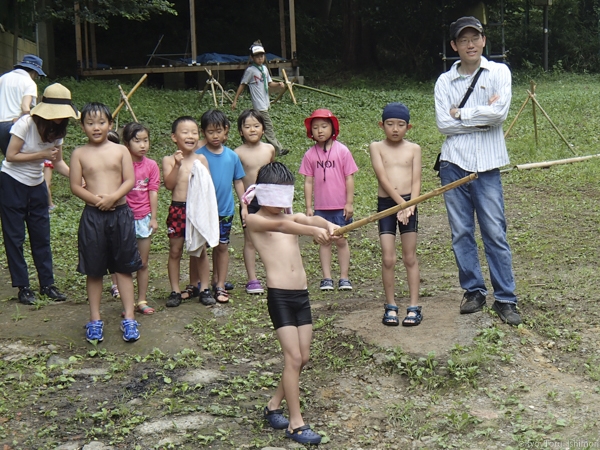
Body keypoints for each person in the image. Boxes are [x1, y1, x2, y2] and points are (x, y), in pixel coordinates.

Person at [434, 16, 521, 326]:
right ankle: (473, 291)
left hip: (487, 167)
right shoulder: (445, 81)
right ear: (454, 45)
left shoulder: (499, 72)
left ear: (484, 40)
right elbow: (444, 124)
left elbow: (499, 115)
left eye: (476, 38)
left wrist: (462, 113)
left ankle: (506, 298)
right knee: (461, 233)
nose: (470, 44)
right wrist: (480, 114)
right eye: (463, 40)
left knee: (495, 232)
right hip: (452, 164)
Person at [244, 162, 337, 445]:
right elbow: (286, 225)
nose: (278, 205)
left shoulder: (288, 214)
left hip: (302, 295)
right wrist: (311, 232)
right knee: (293, 358)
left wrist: (330, 225)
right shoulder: (255, 219)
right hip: (280, 297)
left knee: (302, 358)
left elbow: (308, 219)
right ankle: (296, 424)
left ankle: (273, 405)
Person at [70, 102, 143, 343]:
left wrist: (112, 198)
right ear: (82, 127)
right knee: (94, 270)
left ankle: (130, 317)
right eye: (90, 123)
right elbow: (74, 186)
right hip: (93, 217)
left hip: (120, 213)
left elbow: (129, 180)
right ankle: (94, 319)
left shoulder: (121, 150)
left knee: (123, 268)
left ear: (110, 124)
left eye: (101, 122)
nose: (96, 127)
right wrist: (96, 200)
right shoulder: (79, 153)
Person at [0, 83, 73, 305]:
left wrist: (77, 178)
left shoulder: (58, 130)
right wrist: (41, 154)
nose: (60, 118)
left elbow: (57, 161)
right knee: (15, 238)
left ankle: (47, 284)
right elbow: (11, 156)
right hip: (12, 182)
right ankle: (23, 287)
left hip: (37, 185)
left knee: (41, 236)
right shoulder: (25, 124)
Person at [369, 103, 422, 326]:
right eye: (390, 124)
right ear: (382, 125)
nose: (395, 129)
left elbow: (417, 179)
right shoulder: (376, 147)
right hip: (387, 205)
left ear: (408, 127)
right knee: (388, 257)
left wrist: (410, 205)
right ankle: (390, 305)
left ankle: (414, 306)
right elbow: (382, 178)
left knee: (409, 257)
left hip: (410, 204)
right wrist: (401, 205)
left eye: (400, 125)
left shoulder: (414, 149)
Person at [299, 109, 358, 291]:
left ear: (333, 127)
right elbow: (308, 181)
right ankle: (326, 278)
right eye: (315, 127)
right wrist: (309, 207)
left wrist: (349, 203)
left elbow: (349, 177)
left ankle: (344, 277)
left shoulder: (342, 151)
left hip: (340, 206)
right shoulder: (310, 155)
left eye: (324, 126)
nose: (320, 131)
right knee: (324, 241)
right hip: (321, 208)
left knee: (341, 240)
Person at [163, 116, 215, 307]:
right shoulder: (169, 160)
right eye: (185, 132)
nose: (191, 136)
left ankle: (205, 289)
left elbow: (208, 188)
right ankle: (175, 290)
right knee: (175, 251)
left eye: (194, 132)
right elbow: (169, 185)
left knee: (200, 251)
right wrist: (177, 165)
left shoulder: (201, 159)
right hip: (178, 209)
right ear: (174, 137)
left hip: (198, 209)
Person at [196, 110, 246, 303]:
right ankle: (204, 285)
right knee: (202, 248)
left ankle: (220, 285)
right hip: (204, 212)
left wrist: (244, 205)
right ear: (203, 132)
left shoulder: (232, 156)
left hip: (225, 210)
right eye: (210, 132)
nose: (215, 136)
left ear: (226, 131)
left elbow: (238, 182)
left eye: (218, 131)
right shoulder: (198, 156)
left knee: (222, 247)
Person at [234, 109, 275, 294]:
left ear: (263, 129)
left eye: (256, 126)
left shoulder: (269, 149)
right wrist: (243, 206)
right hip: (249, 200)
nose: (252, 130)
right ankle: (252, 279)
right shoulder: (237, 153)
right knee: (250, 240)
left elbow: (273, 174)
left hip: (269, 199)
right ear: (241, 131)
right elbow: (238, 181)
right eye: (247, 126)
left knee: (271, 238)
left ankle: (273, 274)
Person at [122, 122, 159, 314]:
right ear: (127, 144)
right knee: (124, 263)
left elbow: (153, 192)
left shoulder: (151, 165)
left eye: (145, 140)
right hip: (123, 217)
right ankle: (127, 303)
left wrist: (153, 218)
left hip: (144, 218)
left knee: (142, 262)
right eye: (137, 141)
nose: (142, 145)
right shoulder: (121, 163)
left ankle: (142, 300)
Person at [231, 41, 289, 156]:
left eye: (262, 56)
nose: (260, 58)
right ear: (252, 58)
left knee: (260, 126)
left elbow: (269, 83)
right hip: (259, 104)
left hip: (265, 103)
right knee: (268, 126)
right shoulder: (250, 70)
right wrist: (235, 100)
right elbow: (242, 84)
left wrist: (278, 85)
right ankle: (278, 150)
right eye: (257, 56)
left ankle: (252, 144)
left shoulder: (264, 69)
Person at [0, 54, 46, 155]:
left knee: (8, 159)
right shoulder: (29, 83)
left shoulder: (3, 78)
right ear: (34, 72)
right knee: (19, 160)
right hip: (13, 126)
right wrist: (22, 119)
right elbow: (25, 108)